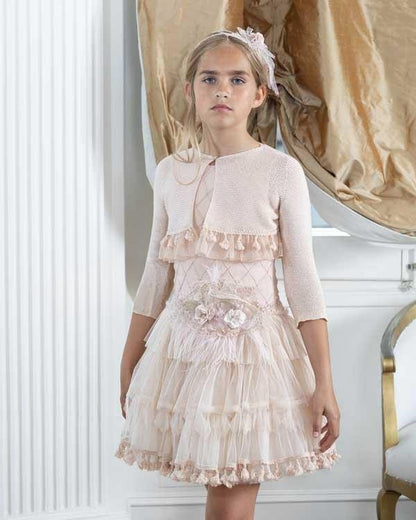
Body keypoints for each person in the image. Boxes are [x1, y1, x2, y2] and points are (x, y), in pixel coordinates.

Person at [115, 26, 341, 520]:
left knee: (231, 494)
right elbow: (155, 273)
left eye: (238, 79)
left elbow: (303, 280)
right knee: (218, 493)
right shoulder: (170, 172)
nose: (222, 89)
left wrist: (324, 381)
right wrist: (130, 356)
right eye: (209, 78)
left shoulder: (280, 171)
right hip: (183, 355)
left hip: (253, 359)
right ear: (190, 90)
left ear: (259, 94)